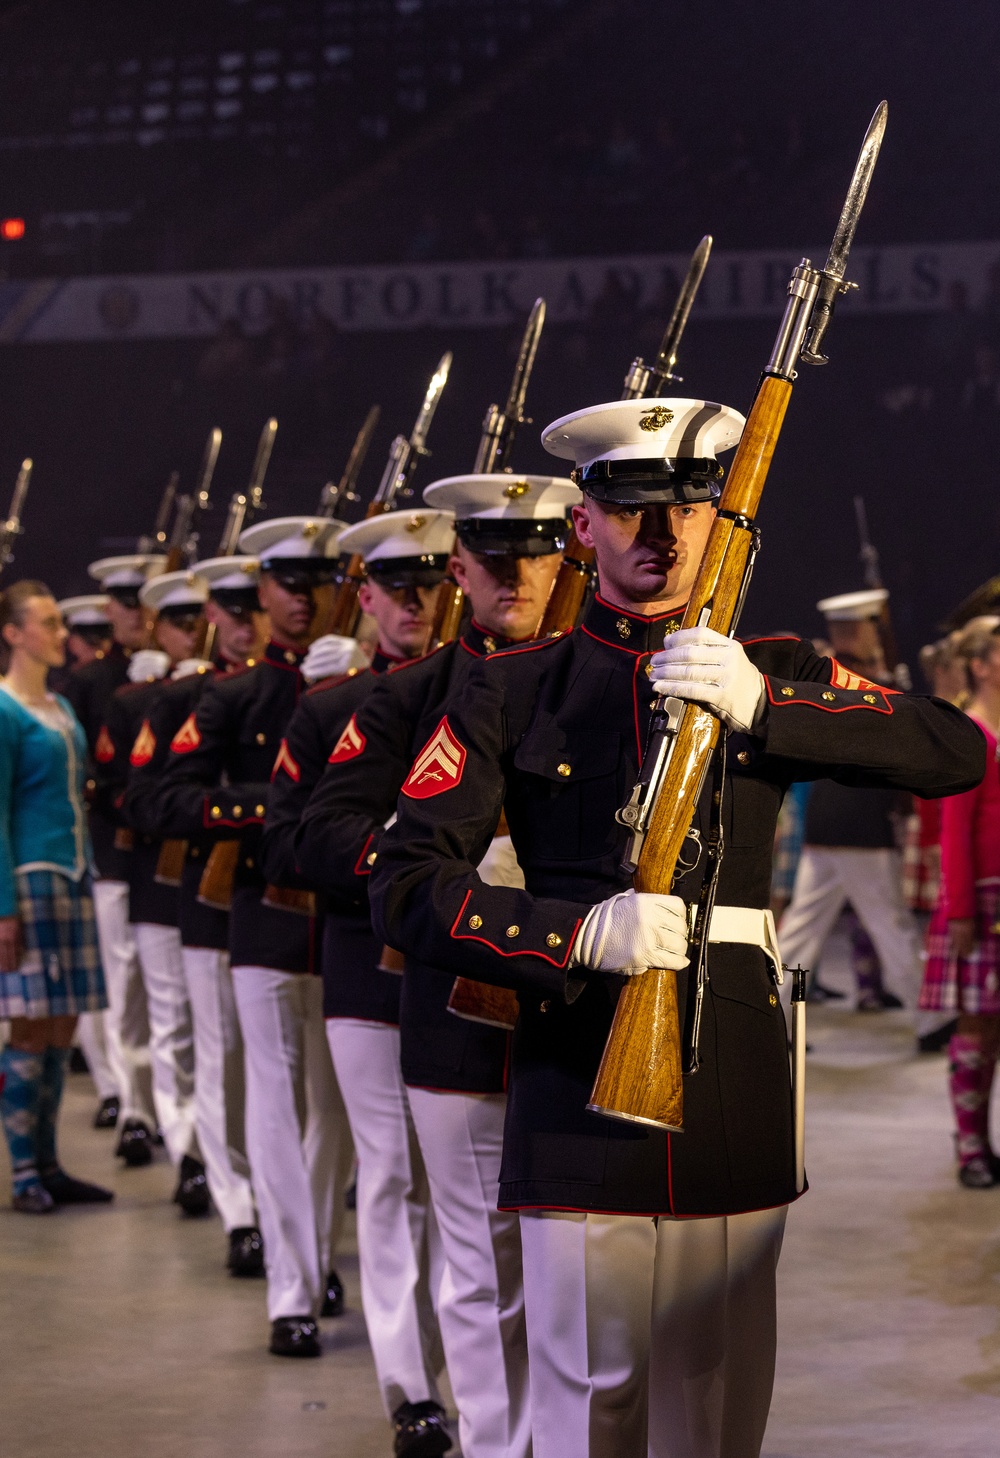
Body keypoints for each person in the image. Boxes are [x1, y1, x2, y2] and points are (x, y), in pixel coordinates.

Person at [368, 395, 985, 1458]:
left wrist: (765, 706)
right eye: (633, 509)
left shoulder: (774, 671)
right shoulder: (513, 689)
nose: (663, 535)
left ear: (721, 521)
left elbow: (953, 752)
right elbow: (406, 879)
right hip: (575, 1066)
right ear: (584, 529)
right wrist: (570, 937)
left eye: (691, 506)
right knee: (584, 1399)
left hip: (732, 1071)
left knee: (716, 1398)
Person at [296, 472, 579, 1458]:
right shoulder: (403, 698)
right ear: (470, 570)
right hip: (440, 988)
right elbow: (320, 834)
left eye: (537, 555)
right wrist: (424, 864)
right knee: (456, 1235)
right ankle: (448, 1410)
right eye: (495, 562)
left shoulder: (595, 685)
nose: (518, 578)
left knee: (572, 1259)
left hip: (575, 992)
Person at [261, 510, 454, 1452]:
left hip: (470, 969)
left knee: (465, 1187)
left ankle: (465, 1367)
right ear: (364, 595)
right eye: (394, 588)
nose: (414, 604)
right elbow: (290, 838)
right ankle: (410, 1384)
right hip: (367, 968)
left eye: (430, 585)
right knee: (389, 1176)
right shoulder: (331, 707)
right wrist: (398, 857)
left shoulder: (485, 692)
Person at [149, 516, 354, 1356]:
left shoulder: (365, 689)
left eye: (318, 586)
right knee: (273, 1106)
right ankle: (291, 1287)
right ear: (262, 590)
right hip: (264, 921)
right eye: (287, 586)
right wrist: (269, 811)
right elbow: (162, 802)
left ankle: (310, 1251)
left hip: (340, 925)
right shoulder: (231, 697)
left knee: (331, 1118)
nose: (302, 601)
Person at [125, 554, 268, 1276]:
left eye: (258, 610)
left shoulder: (307, 690)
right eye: (232, 613)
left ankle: (272, 1205)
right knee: (220, 1056)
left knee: (279, 1079)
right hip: (216, 895)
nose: (248, 626)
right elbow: (147, 800)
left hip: (288, 906)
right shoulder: (188, 699)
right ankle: (237, 1204)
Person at [94, 568, 211, 1211]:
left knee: (210, 1033)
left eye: (199, 621)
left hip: (216, 885)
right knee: (166, 1018)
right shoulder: (140, 701)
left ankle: (207, 1146)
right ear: (157, 627)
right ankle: (184, 1143)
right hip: (156, 876)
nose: (192, 633)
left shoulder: (230, 689)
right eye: (179, 622)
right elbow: (119, 791)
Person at [0, 580, 113, 1212]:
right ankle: (23, 1171)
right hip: (30, 877)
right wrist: (2, 907)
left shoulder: (60, 709)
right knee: (30, 1026)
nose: (59, 632)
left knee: (64, 1021)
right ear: (13, 633)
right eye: (45, 621)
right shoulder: (5, 709)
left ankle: (49, 1162)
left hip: (72, 875)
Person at [776, 590, 926, 1016]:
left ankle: (773, 1013)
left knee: (802, 931)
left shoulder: (829, 680)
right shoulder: (870, 686)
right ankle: (930, 1014)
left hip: (827, 823)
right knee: (892, 926)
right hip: (860, 826)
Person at [63, 553, 163, 1166]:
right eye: (127, 605)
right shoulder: (91, 682)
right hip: (112, 845)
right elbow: (84, 772)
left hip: (159, 853)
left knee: (158, 996)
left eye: (144, 604)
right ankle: (125, 1098)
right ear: (110, 610)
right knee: (120, 986)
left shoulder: (174, 675)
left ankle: (143, 1102)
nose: (136, 616)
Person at [920, 617, 1000, 1187]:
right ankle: (970, 1146)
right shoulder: (971, 732)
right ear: (982, 665)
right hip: (982, 905)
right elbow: (954, 832)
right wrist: (965, 912)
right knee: (977, 1028)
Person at [57, 593, 120, 1125]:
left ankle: (123, 1092)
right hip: (94, 847)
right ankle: (113, 1088)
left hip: (121, 850)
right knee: (105, 985)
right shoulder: (80, 686)